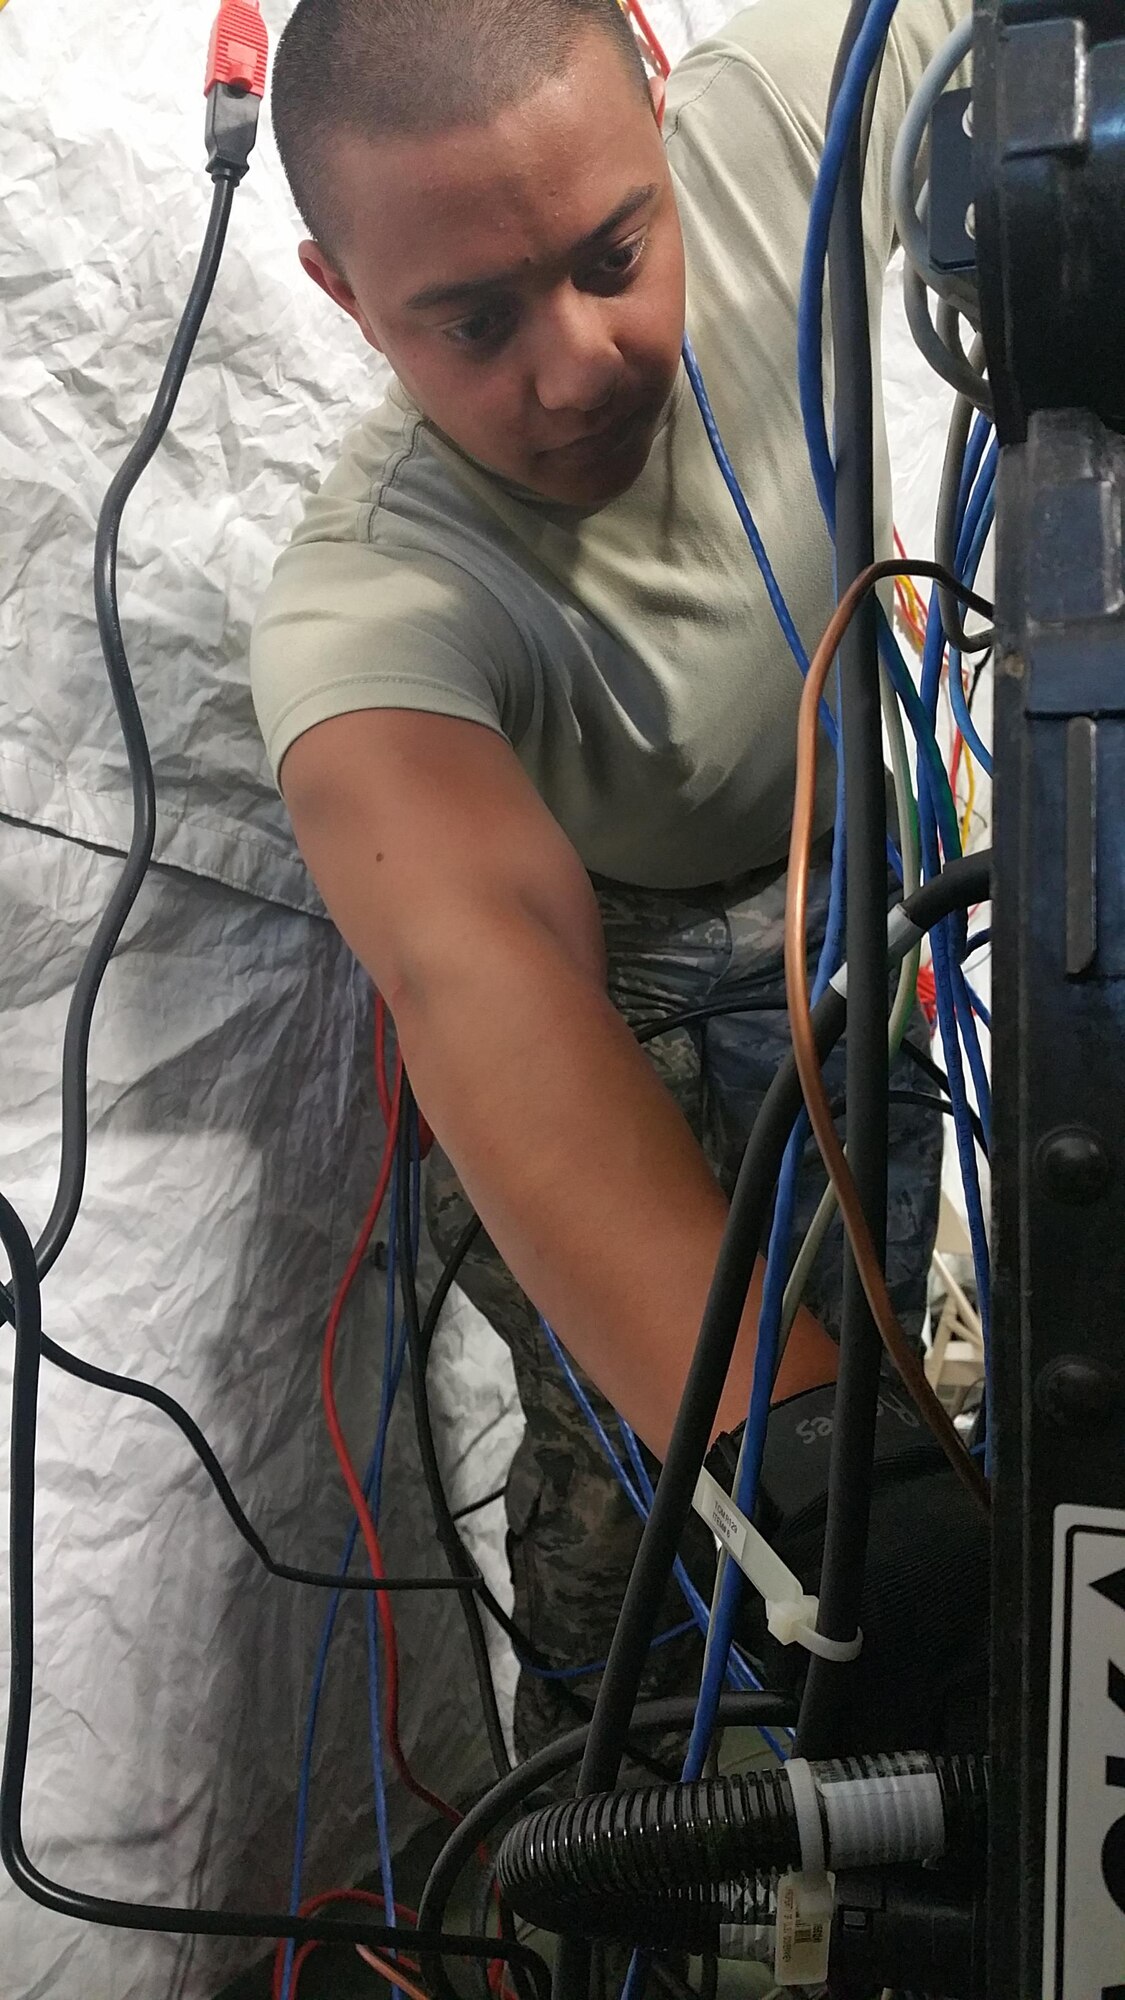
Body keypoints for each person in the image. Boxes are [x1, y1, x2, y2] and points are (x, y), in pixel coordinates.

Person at [252, 0, 974, 1767]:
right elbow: (477, 971)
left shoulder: (767, 125)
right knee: (634, 1514)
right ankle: (607, 1851)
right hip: (623, 989)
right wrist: (834, 1492)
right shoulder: (368, 599)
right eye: (475, 321)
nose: (575, 365)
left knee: (866, 1311)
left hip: (844, 893)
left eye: (610, 255)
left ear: (659, 121)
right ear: (347, 298)